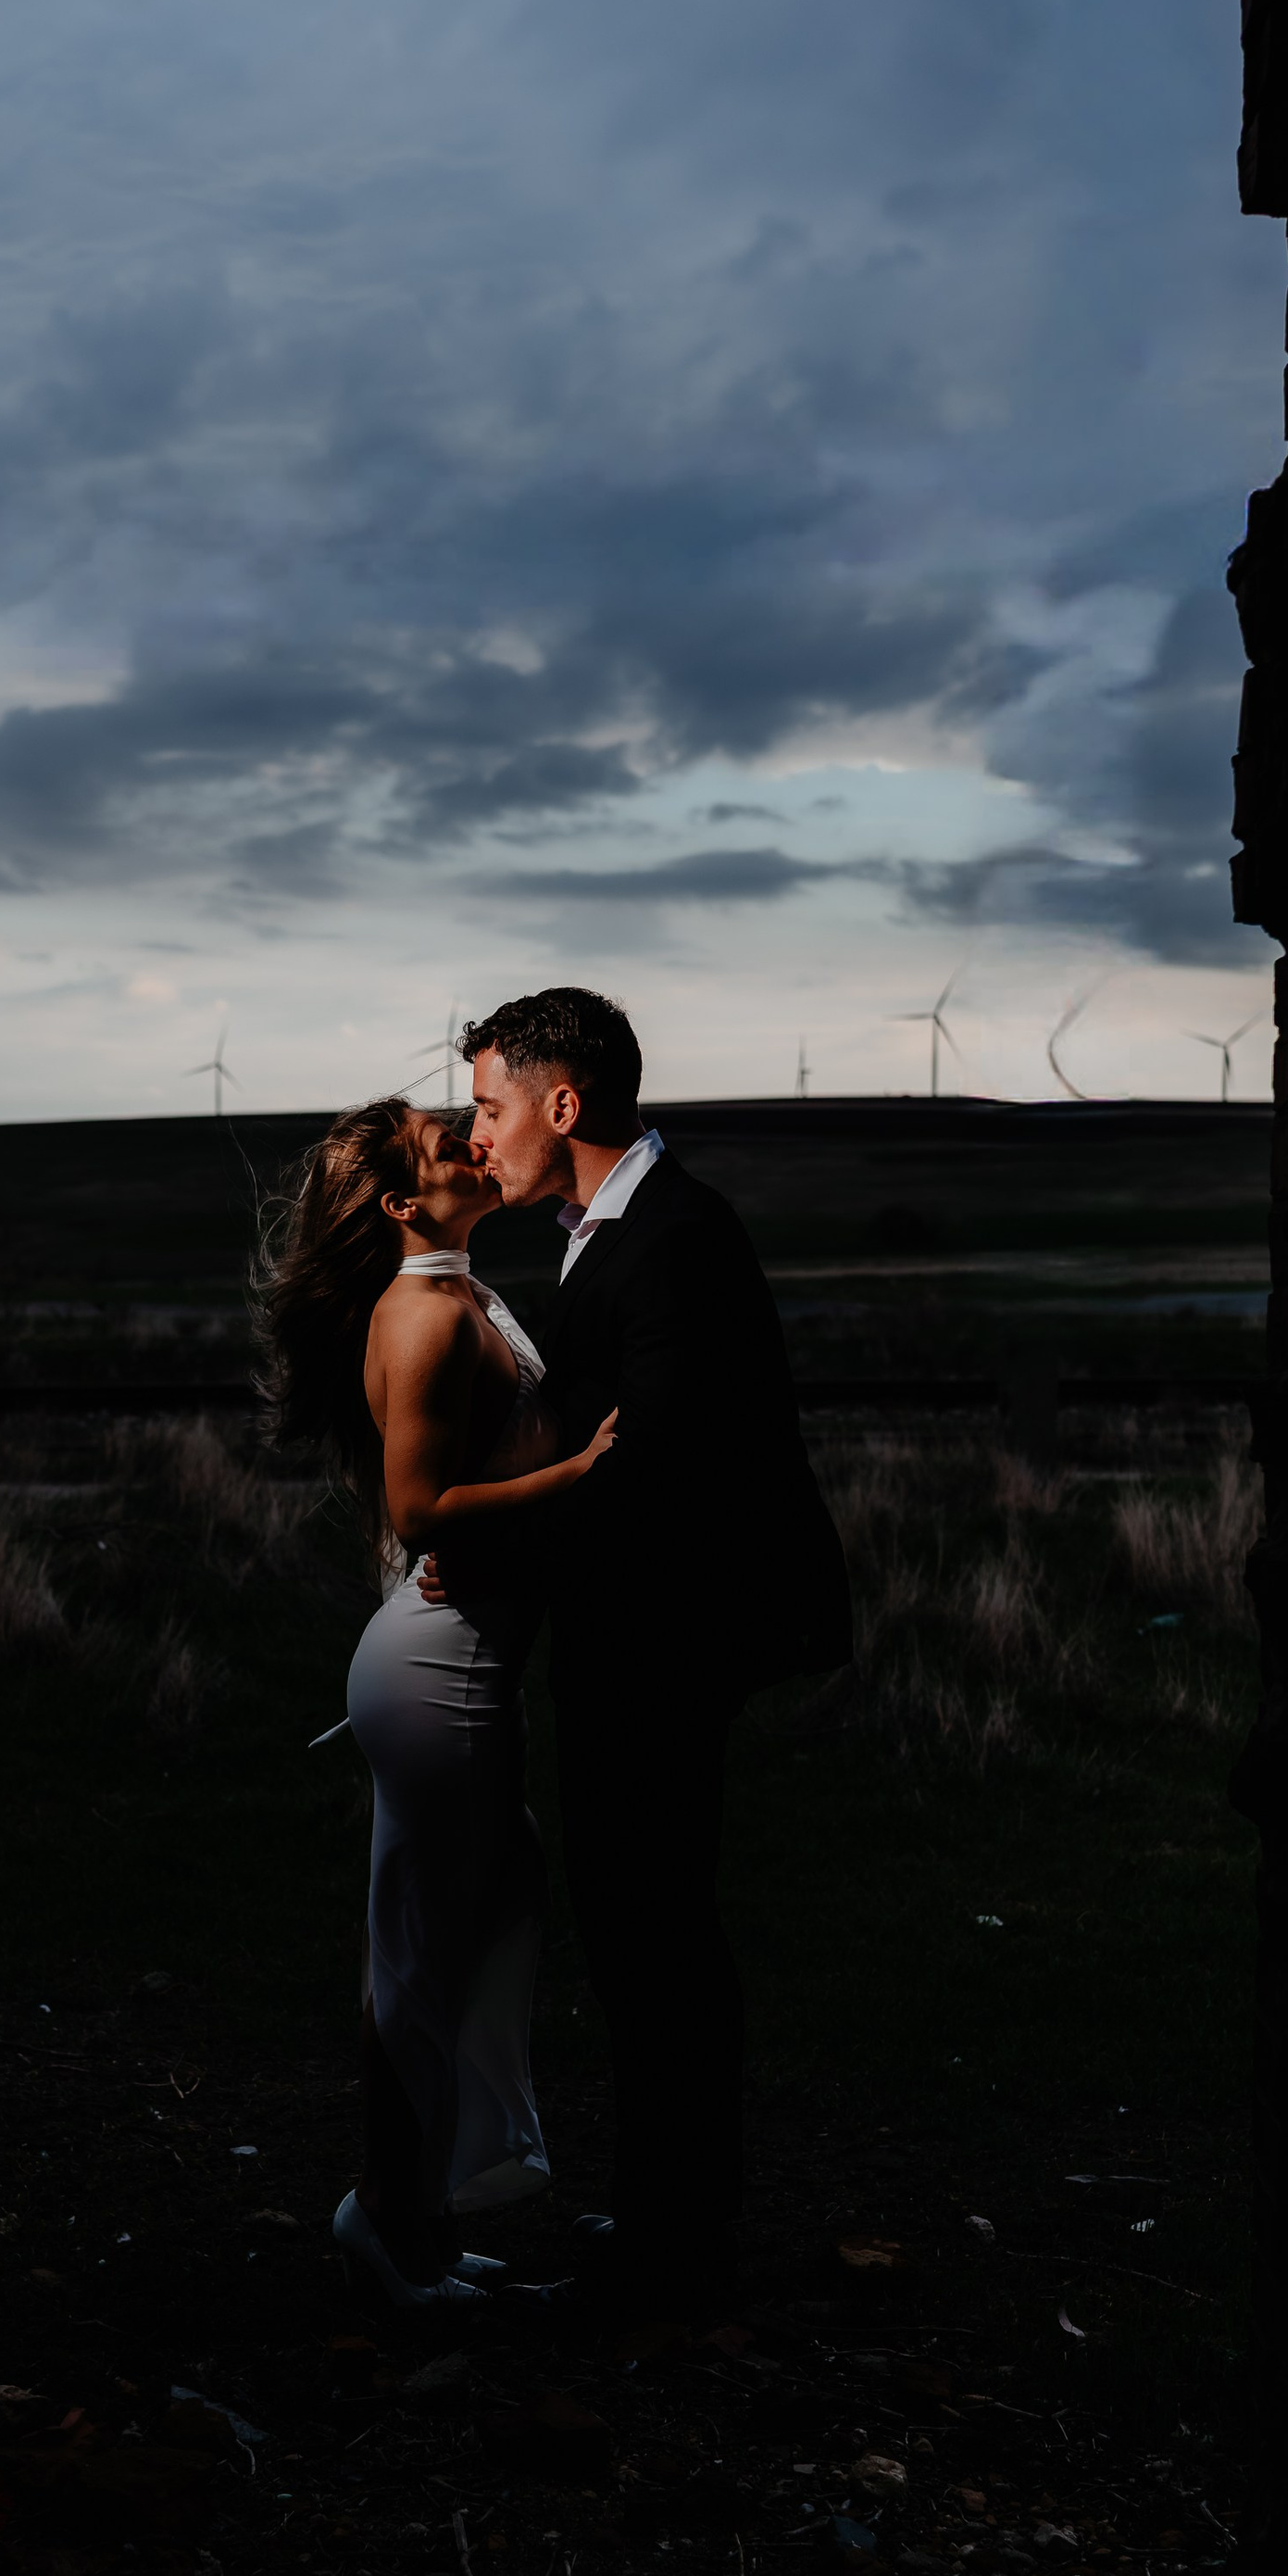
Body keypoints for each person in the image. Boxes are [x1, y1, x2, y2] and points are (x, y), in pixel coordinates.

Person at [446, 986, 853, 2319]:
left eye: (491, 1106)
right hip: (632, 1628)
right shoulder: (610, 1230)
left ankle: (677, 2245)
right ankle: (669, 2216)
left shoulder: (673, 1237)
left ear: (562, 1105)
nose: (474, 1133)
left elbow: (655, 1466)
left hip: (665, 1638)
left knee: (654, 1927)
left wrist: (494, 1549)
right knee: (637, 1924)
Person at [259, 1098, 617, 2310]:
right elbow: (418, 1510)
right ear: (405, 1203)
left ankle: (422, 2212)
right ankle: (391, 2224)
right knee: (422, 1961)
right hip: (438, 1669)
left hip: (459, 1658)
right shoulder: (419, 1315)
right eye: (438, 1137)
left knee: (467, 1932)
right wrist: (580, 1474)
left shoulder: (461, 1291)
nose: (471, 1130)